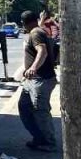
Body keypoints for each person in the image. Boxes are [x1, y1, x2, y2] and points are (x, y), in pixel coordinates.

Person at [18, 10, 57, 151]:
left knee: (40, 111)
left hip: (41, 79)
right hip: (32, 81)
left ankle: (48, 142)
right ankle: (39, 138)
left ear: (24, 23)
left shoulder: (35, 33)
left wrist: (33, 67)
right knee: (24, 108)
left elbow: (42, 51)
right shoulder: (38, 30)